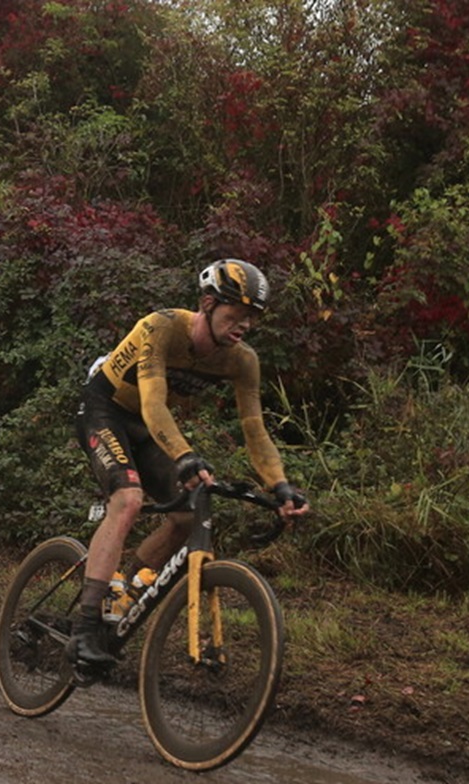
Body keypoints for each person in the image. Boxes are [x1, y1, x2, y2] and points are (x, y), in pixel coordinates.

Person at [69, 258, 310, 665]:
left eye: (253, 316)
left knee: (186, 515)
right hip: (105, 409)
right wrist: (184, 456)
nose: (245, 324)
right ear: (208, 303)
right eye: (237, 312)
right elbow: (153, 403)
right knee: (127, 500)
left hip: (149, 427)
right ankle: (84, 628)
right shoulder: (162, 326)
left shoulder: (241, 360)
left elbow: (255, 430)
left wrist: (280, 485)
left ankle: (126, 589)